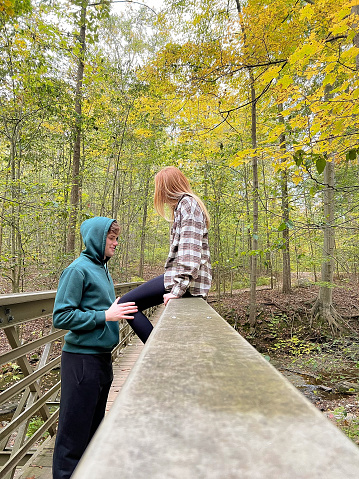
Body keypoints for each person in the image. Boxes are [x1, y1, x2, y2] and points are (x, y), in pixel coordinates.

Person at [52, 216, 138, 479]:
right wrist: (105, 316)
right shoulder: (77, 270)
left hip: (102, 359)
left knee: (93, 428)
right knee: (73, 433)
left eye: (116, 239)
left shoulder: (102, 269)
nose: (115, 244)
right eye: (111, 239)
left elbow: (99, 306)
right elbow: (61, 317)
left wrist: (111, 309)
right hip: (80, 361)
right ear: (96, 240)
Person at [116, 166, 212, 343]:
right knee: (127, 304)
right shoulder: (184, 207)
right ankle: (159, 348)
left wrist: (177, 289)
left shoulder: (187, 204)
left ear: (167, 188)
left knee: (125, 304)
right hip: (181, 278)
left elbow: (190, 251)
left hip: (185, 280)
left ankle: (157, 349)